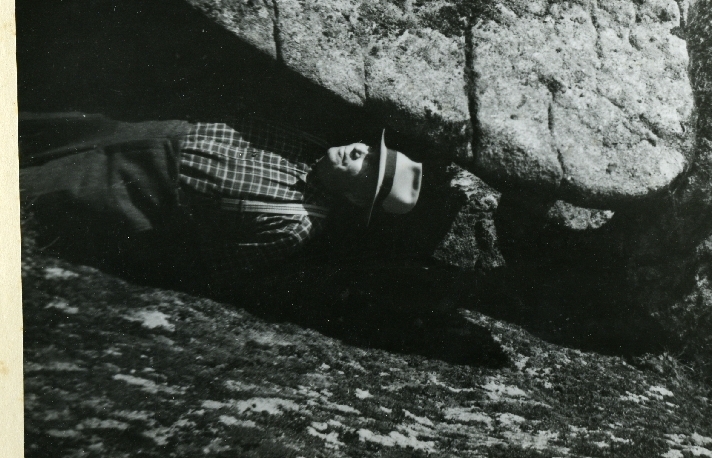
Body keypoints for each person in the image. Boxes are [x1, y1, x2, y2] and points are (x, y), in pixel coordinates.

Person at [19, 112, 423, 293]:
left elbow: (205, 266)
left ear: (355, 198)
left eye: (367, 168)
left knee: (29, 190)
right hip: (147, 129)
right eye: (370, 149)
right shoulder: (309, 141)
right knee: (32, 125)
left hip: (138, 189)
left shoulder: (293, 225)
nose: (358, 151)